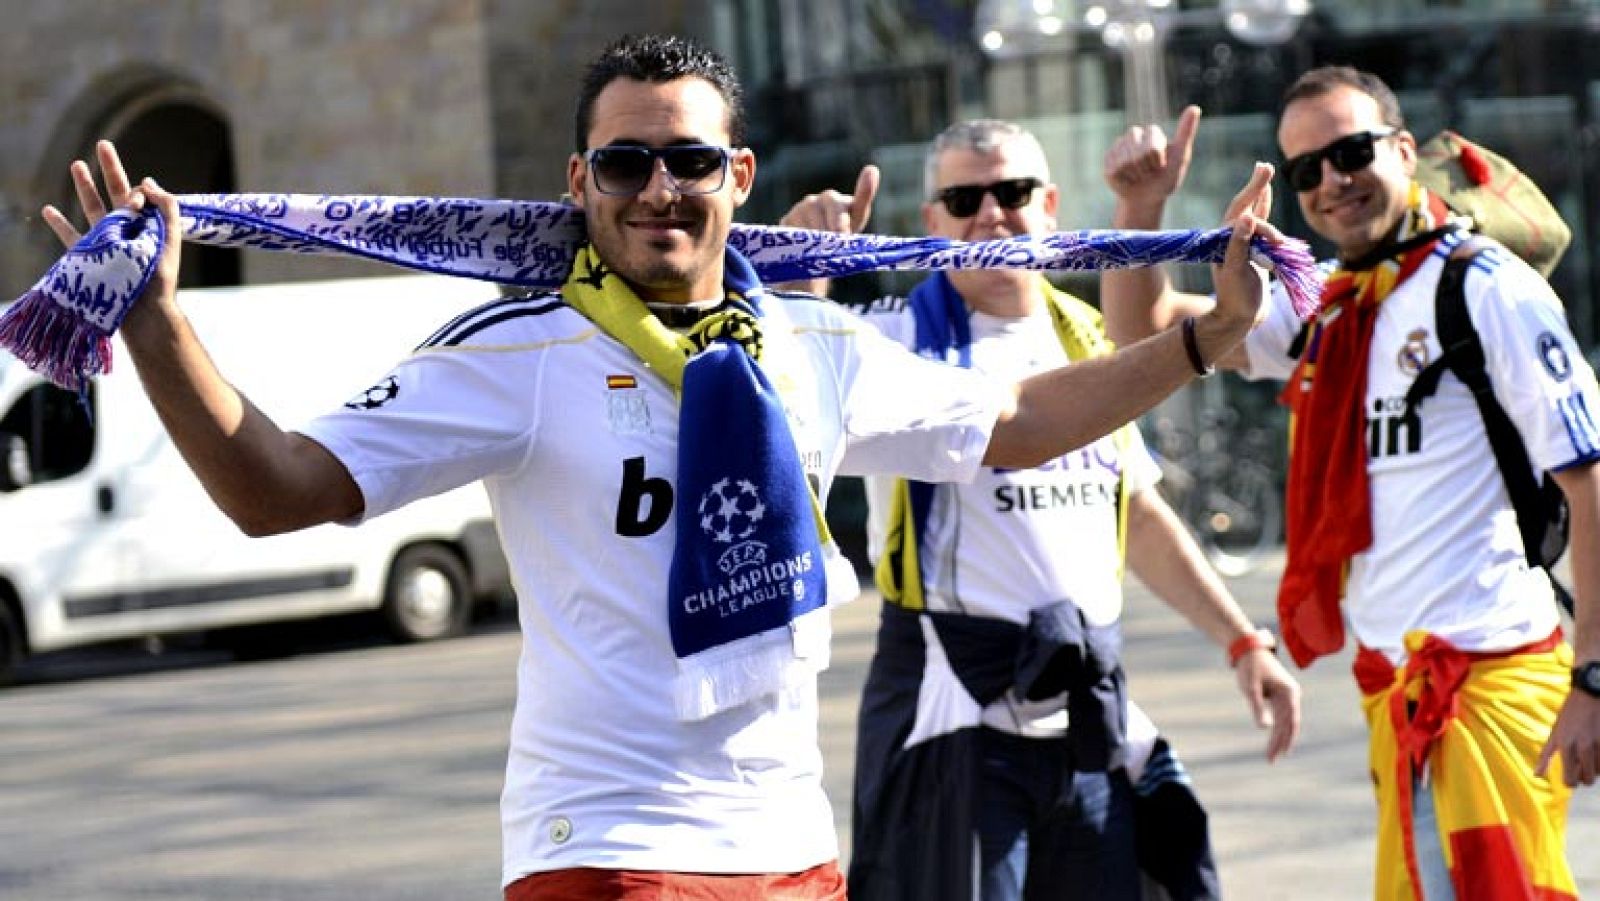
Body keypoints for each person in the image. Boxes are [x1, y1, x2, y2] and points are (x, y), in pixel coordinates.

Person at [41, 34, 1277, 901]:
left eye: (688, 160)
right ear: (579, 183)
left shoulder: (815, 345)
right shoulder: (517, 352)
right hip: (606, 845)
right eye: (625, 163)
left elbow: (1011, 418)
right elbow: (278, 489)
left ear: (737, 177)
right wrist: (158, 325)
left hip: (790, 847)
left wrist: (1202, 338)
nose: (658, 189)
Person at [1100, 68, 1600, 899]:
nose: (1332, 181)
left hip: (1491, 685)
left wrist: (1593, 677)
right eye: (1306, 169)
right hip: (1393, 697)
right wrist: (1140, 211)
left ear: (1403, 151)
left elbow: (1589, 486)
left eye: (1351, 151)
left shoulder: (1485, 289)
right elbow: (1143, 332)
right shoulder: (1328, 307)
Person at [778, 120, 1300, 901]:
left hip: (1087, 710)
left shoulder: (1089, 333)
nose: (991, 215)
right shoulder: (889, 332)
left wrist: (1242, 641)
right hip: (957, 711)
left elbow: (1133, 508)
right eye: (963, 197)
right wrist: (798, 283)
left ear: (1051, 205)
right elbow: (781, 389)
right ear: (932, 223)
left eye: (1013, 192)